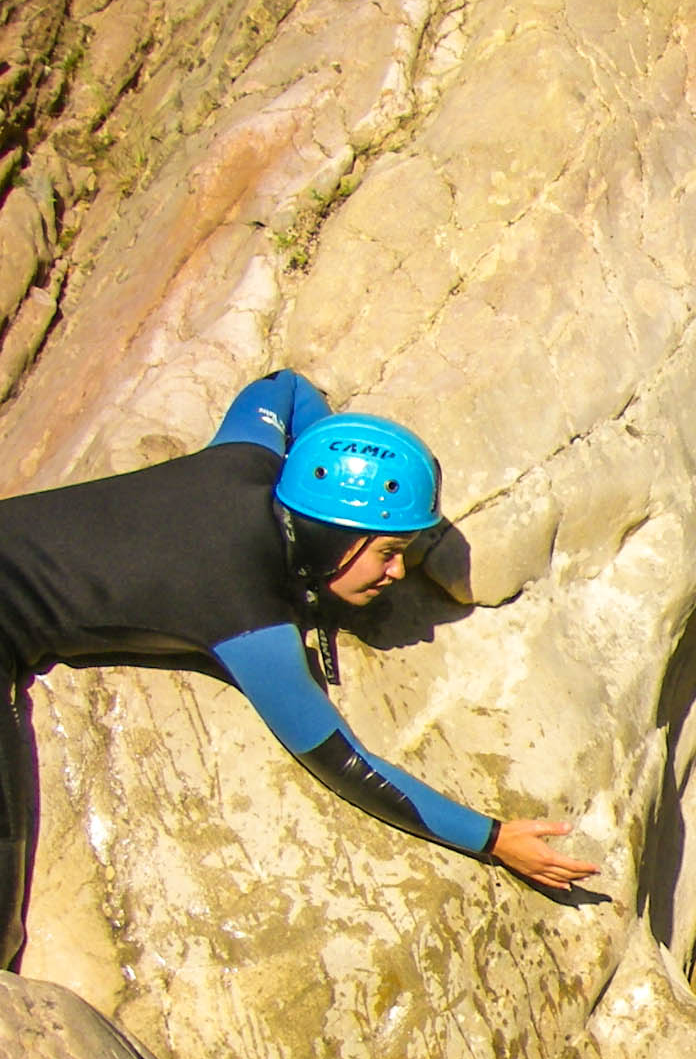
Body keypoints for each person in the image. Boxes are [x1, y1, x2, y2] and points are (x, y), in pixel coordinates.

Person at [0, 370, 599, 965]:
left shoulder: (246, 462)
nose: (397, 574)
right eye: (388, 552)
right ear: (330, 538)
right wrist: (494, 839)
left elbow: (282, 389)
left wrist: (325, 446)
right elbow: (346, 764)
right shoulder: (244, 610)